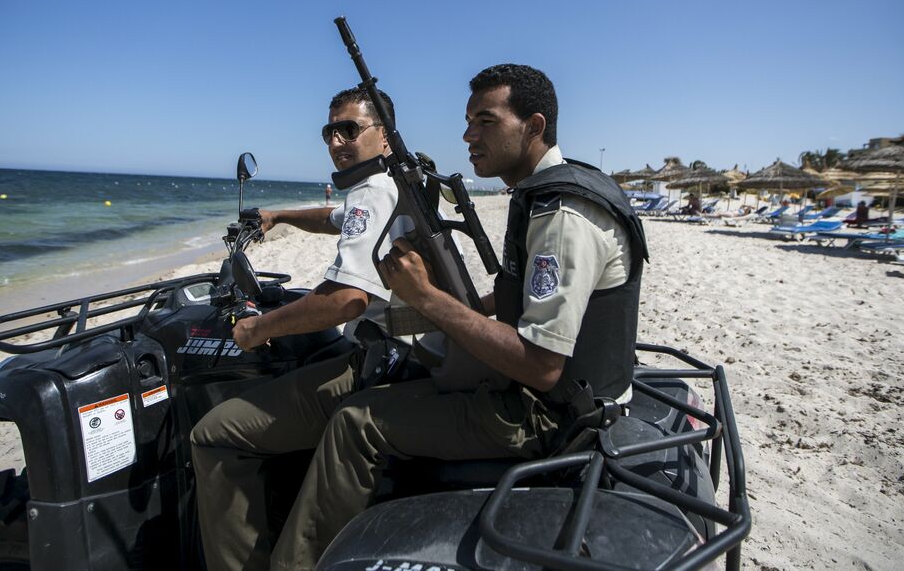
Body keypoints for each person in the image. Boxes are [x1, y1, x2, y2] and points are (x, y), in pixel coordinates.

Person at [269, 63, 648, 568]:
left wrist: (425, 297)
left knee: (354, 423)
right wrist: (425, 312)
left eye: (486, 122)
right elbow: (516, 303)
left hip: (549, 416)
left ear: (533, 126)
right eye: (468, 122)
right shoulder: (551, 190)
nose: (468, 136)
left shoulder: (561, 215)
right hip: (559, 395)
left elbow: (541, 366)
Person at [191, 86, 411, 571]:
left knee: (213, 435)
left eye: (349, 129)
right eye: (329, 131)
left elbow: (346, 299)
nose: (336, 141)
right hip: (404, 354)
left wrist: (258, 328)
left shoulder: (373, 194)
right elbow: (335, 218)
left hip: (381, 366)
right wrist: (280, 215)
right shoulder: (395, 185)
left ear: (385, 136)